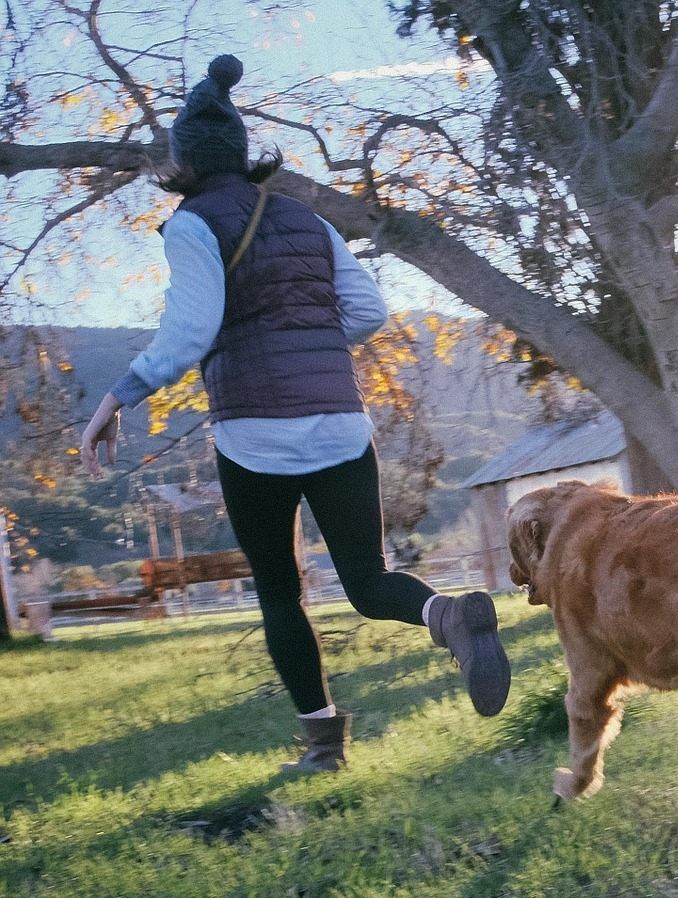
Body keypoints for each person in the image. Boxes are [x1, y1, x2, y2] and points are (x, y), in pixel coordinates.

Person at [79, 54, 510, 773]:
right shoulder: (304, 216)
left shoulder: (190, 225)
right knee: (368, 582)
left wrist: (116, 396)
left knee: (281, 593)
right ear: (244, 154)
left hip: (255, 433)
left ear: (181, 160)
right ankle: (448, 618)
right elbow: (369, 312)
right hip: (340, 421)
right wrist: (306, 339)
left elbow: (190, 332)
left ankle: (323, 748)